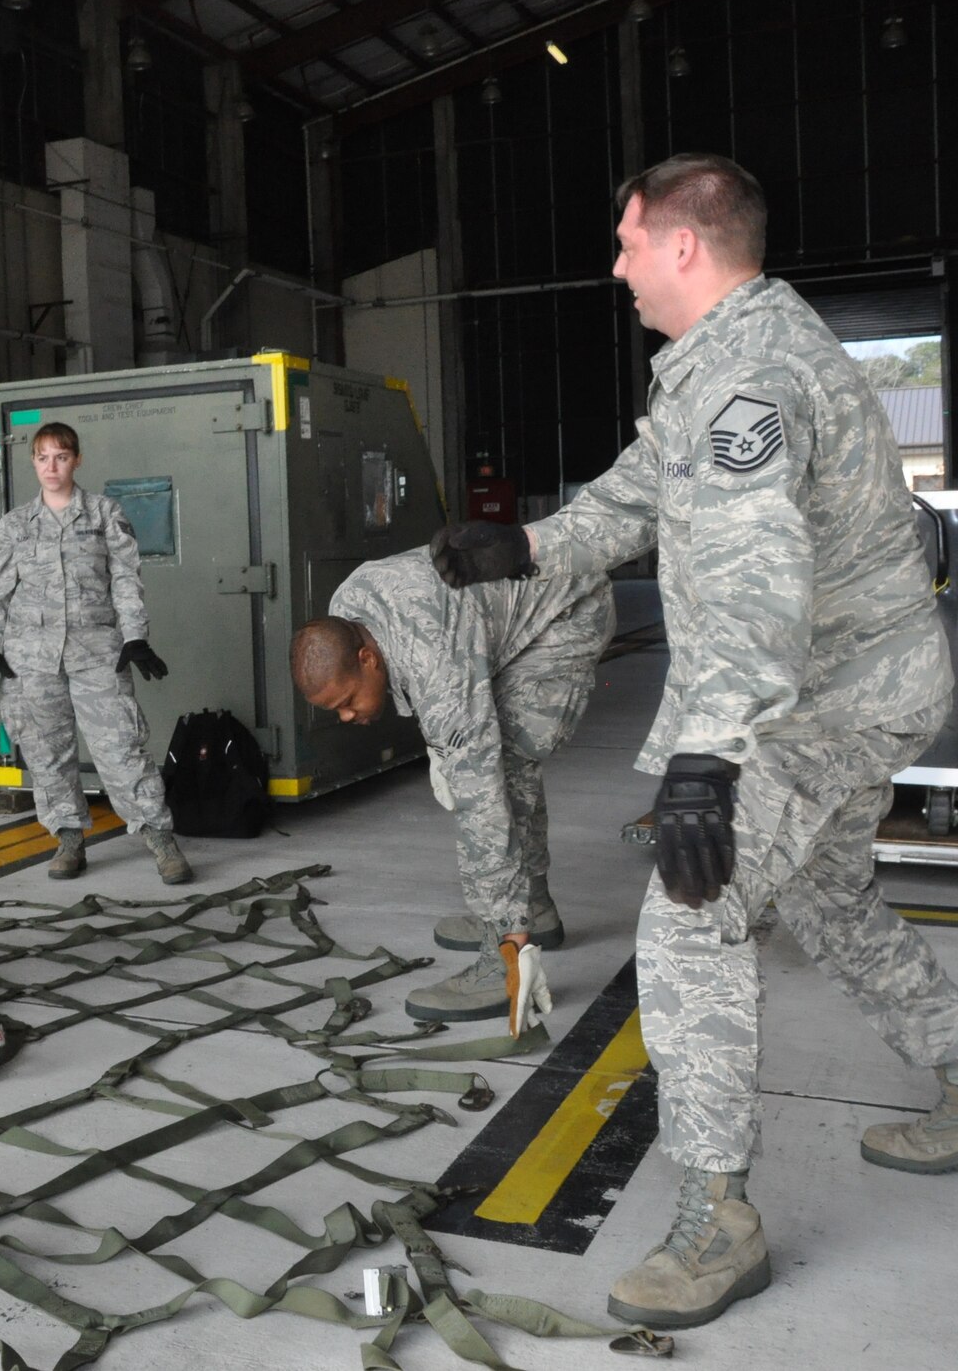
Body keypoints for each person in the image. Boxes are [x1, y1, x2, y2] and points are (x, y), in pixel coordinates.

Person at [432, 153, 958, 1330]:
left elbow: (757, 583)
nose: (614, 268)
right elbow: (639, 491)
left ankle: (717, 1219)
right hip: (856, 681)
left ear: (682, 246)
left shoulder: (749, 379)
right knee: (832, 904)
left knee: (689, 912)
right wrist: (530, 545)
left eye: (624, 244)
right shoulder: (715, 366)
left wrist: (706, 760)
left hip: (825, 696)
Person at [291, 547, 613, 1029]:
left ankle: (504, 949)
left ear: (367, 658)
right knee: (488, 757)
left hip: (565, 613)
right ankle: (536, 907)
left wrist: (504, 926)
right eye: (335, 709)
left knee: (502, 765)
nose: (348, 717)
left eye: (348, 701)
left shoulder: (432, 658)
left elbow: (481, 798)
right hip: (503, 613)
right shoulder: (349, 607)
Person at [0, 421, 192, 885]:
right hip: (30, 659)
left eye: (61, 456)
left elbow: (127, 580)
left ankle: (160, 839)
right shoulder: (14, 524)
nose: (52, 466)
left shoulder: (103, 513)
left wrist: (135, 637)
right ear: (33, 462)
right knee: (46, 751)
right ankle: (69, 839)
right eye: (42, 457)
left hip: (97, 653)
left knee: (121, 746)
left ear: (77, 459)